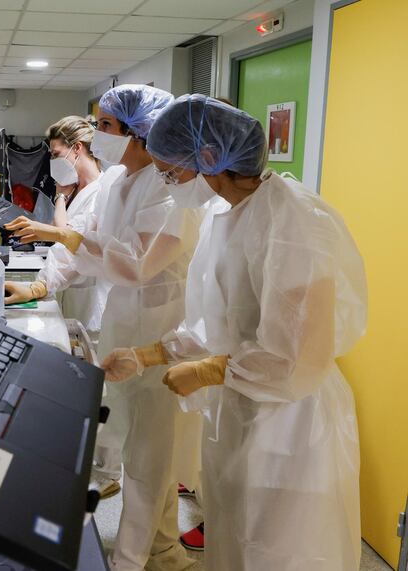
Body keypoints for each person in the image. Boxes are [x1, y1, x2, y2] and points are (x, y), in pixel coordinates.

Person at [101, 94, 367, 571]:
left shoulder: (293, 223)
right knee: (235, 543)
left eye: (171, 173)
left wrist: (207, 370)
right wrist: (147, 354)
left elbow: (298, 356)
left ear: (209, 159)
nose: (170, 185)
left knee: (280, 553)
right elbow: (216, 324)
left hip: (291, 425)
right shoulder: (228, 217)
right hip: (241, 410)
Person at [6, 84, 202, 571]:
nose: (98, 135)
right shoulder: (117, 181)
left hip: (161, 331)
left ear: (139, 134)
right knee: (141, 445)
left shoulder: (166, 186)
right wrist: (38, 287)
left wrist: (61, 232)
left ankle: (132, 559)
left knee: (149, 457)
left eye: (108, 127)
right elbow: (87, 246)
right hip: (125, 325)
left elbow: (136, 264)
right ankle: (163, 550)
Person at [4, 116, 119, 336]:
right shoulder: (76, 188)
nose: (53, 161)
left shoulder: (102, 192)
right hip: (71, 293)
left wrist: (37, 287)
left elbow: (72, 242)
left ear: (77, 148)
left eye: (56, 154)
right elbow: (64, 238)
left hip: (91, 303)